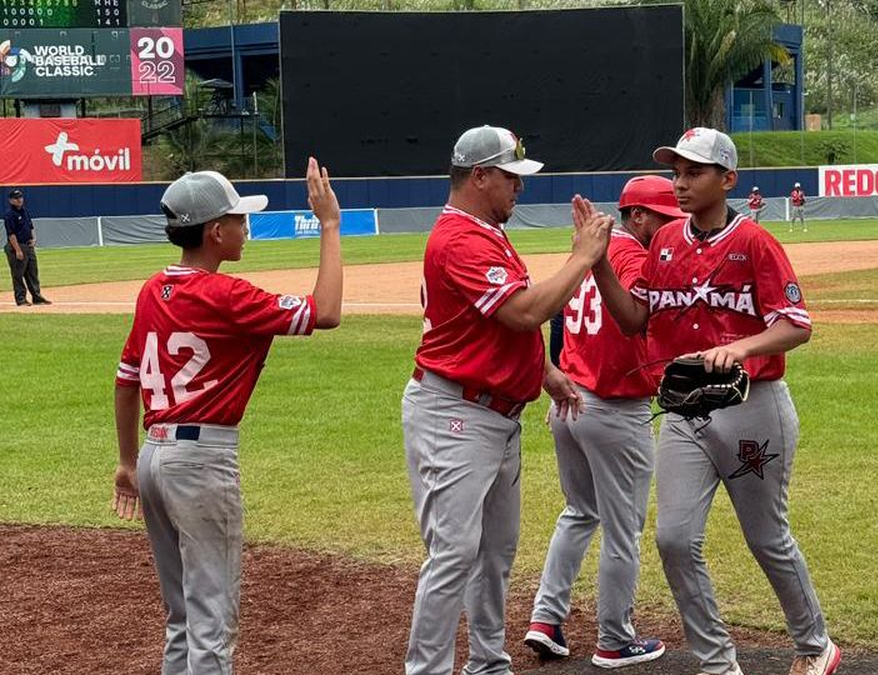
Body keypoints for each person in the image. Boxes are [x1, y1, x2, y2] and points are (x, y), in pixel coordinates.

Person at [589, 127, 840, 675]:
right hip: (685, 412)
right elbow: (635, 320)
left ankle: (814, 644)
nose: (680, 183)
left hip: (754, 405)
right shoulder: (665, 243)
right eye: (676, 172)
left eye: (694, 172)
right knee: (675, 539)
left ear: (728, 179)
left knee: (766, 537)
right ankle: (716, 663)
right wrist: (598, 261)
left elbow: (796, 325)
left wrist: (741, 346)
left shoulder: (754, 243)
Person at [110, 160, 344, 675]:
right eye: (238, 219)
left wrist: (127, 462)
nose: (246, 228)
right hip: (200, 459)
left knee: (182, 620)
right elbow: (325, 311)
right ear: (216, 232)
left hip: (154, 455)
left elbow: (126, 380)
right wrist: (328, 225)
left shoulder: (153, 289)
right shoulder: (226, 295)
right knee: (212, 621)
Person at [402, 125, 613, 675]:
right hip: (458, 413)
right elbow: (521, 312)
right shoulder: (460, 238)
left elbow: (492, 328)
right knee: (453, 555)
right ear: (478, 176)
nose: (519, 186)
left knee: (494, 553)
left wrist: (544, 372)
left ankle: (489, 663)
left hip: (491, 413)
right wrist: (584, 257)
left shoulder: (483, 232)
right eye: (510, 176)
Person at [524, 175, 684, 669]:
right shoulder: (633, 257)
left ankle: (546, 619)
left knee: (578, 513)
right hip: (614, 409)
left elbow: (553, 318)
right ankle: (615, 638)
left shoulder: (586, 253)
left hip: (569, 401)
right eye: (664, 220)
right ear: (637, 217)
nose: (671, 230)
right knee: (623, 530)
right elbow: (636, 317)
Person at [4, 189, 50, 306]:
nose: (19, 200)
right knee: (18, 274)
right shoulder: (10, 214)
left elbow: (31, 227)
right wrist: (18, 250)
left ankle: (37, 297)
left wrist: (34, 239)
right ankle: (21, 299)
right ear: (11, 200)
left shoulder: (25, 212)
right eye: (16, 198)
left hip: (28, 245)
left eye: (20, 197)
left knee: (33, 272)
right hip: (17, 246)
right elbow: (11, 234)